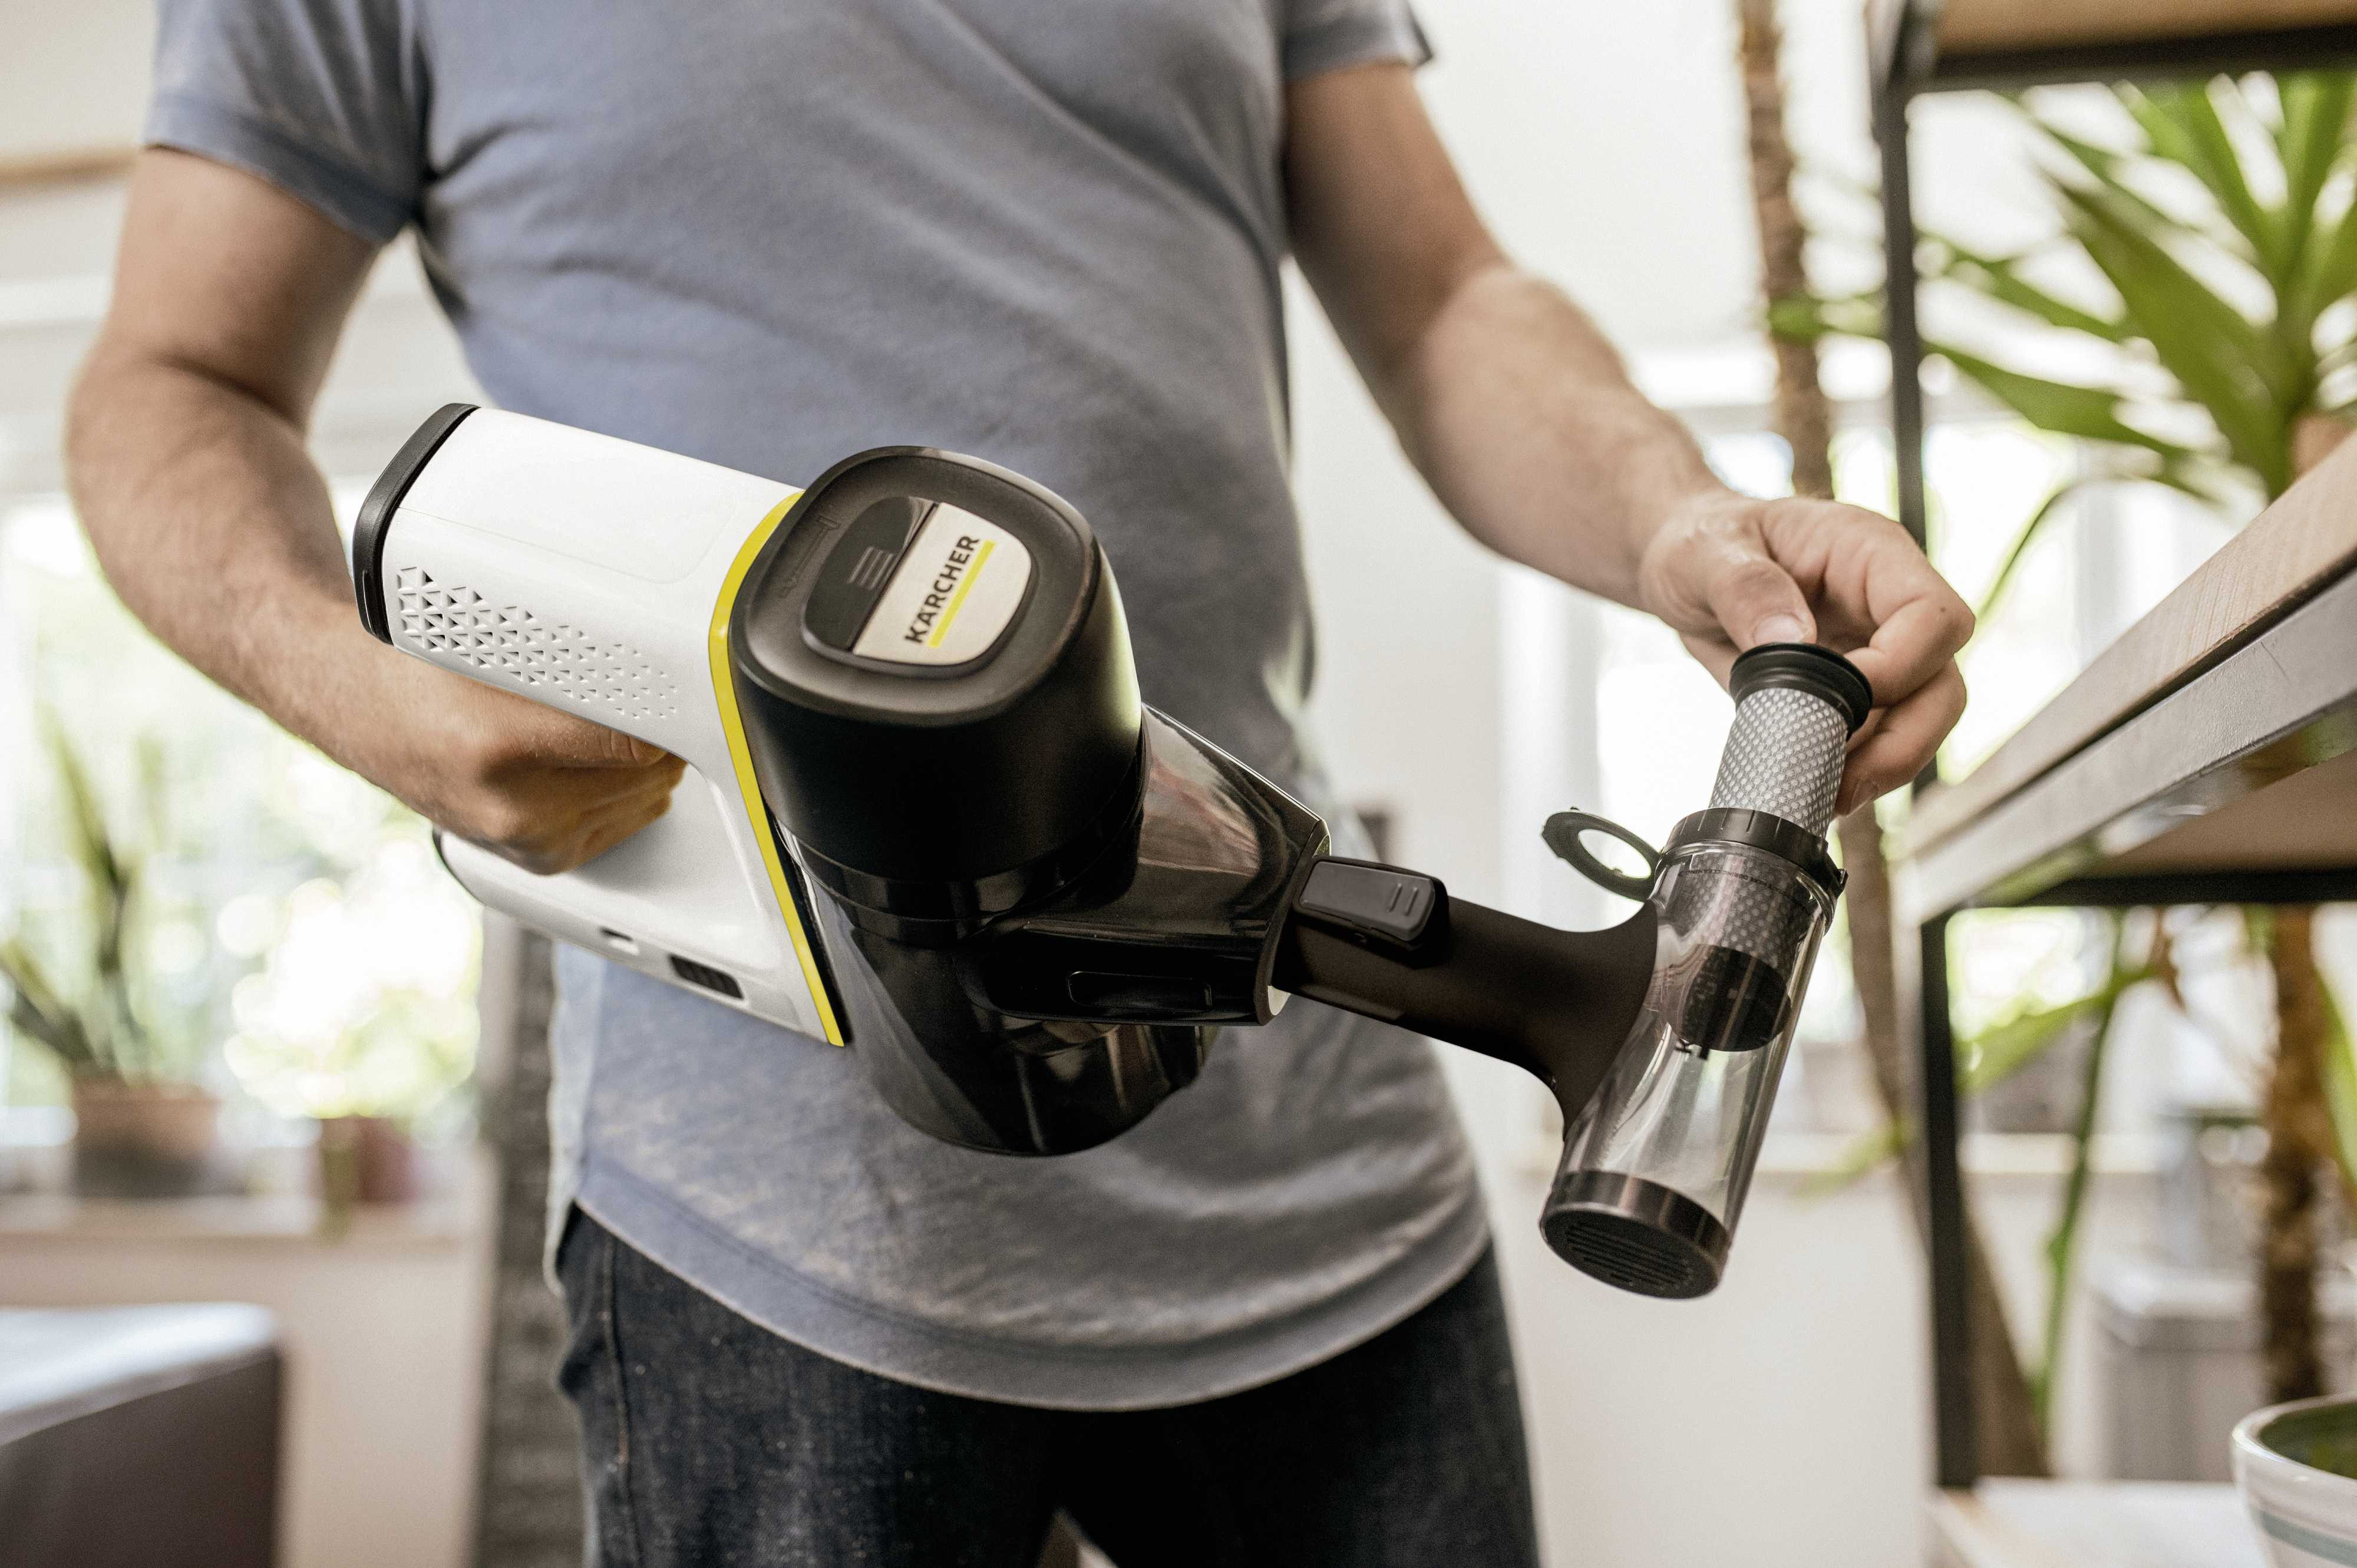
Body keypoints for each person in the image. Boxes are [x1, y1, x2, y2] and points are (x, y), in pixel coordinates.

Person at [71, 2, 1971, 1563]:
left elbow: (1443, 294)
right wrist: (372, 699)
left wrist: (1680, 521)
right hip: (774, 1235)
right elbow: (169, 381)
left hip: (1323, 1186)